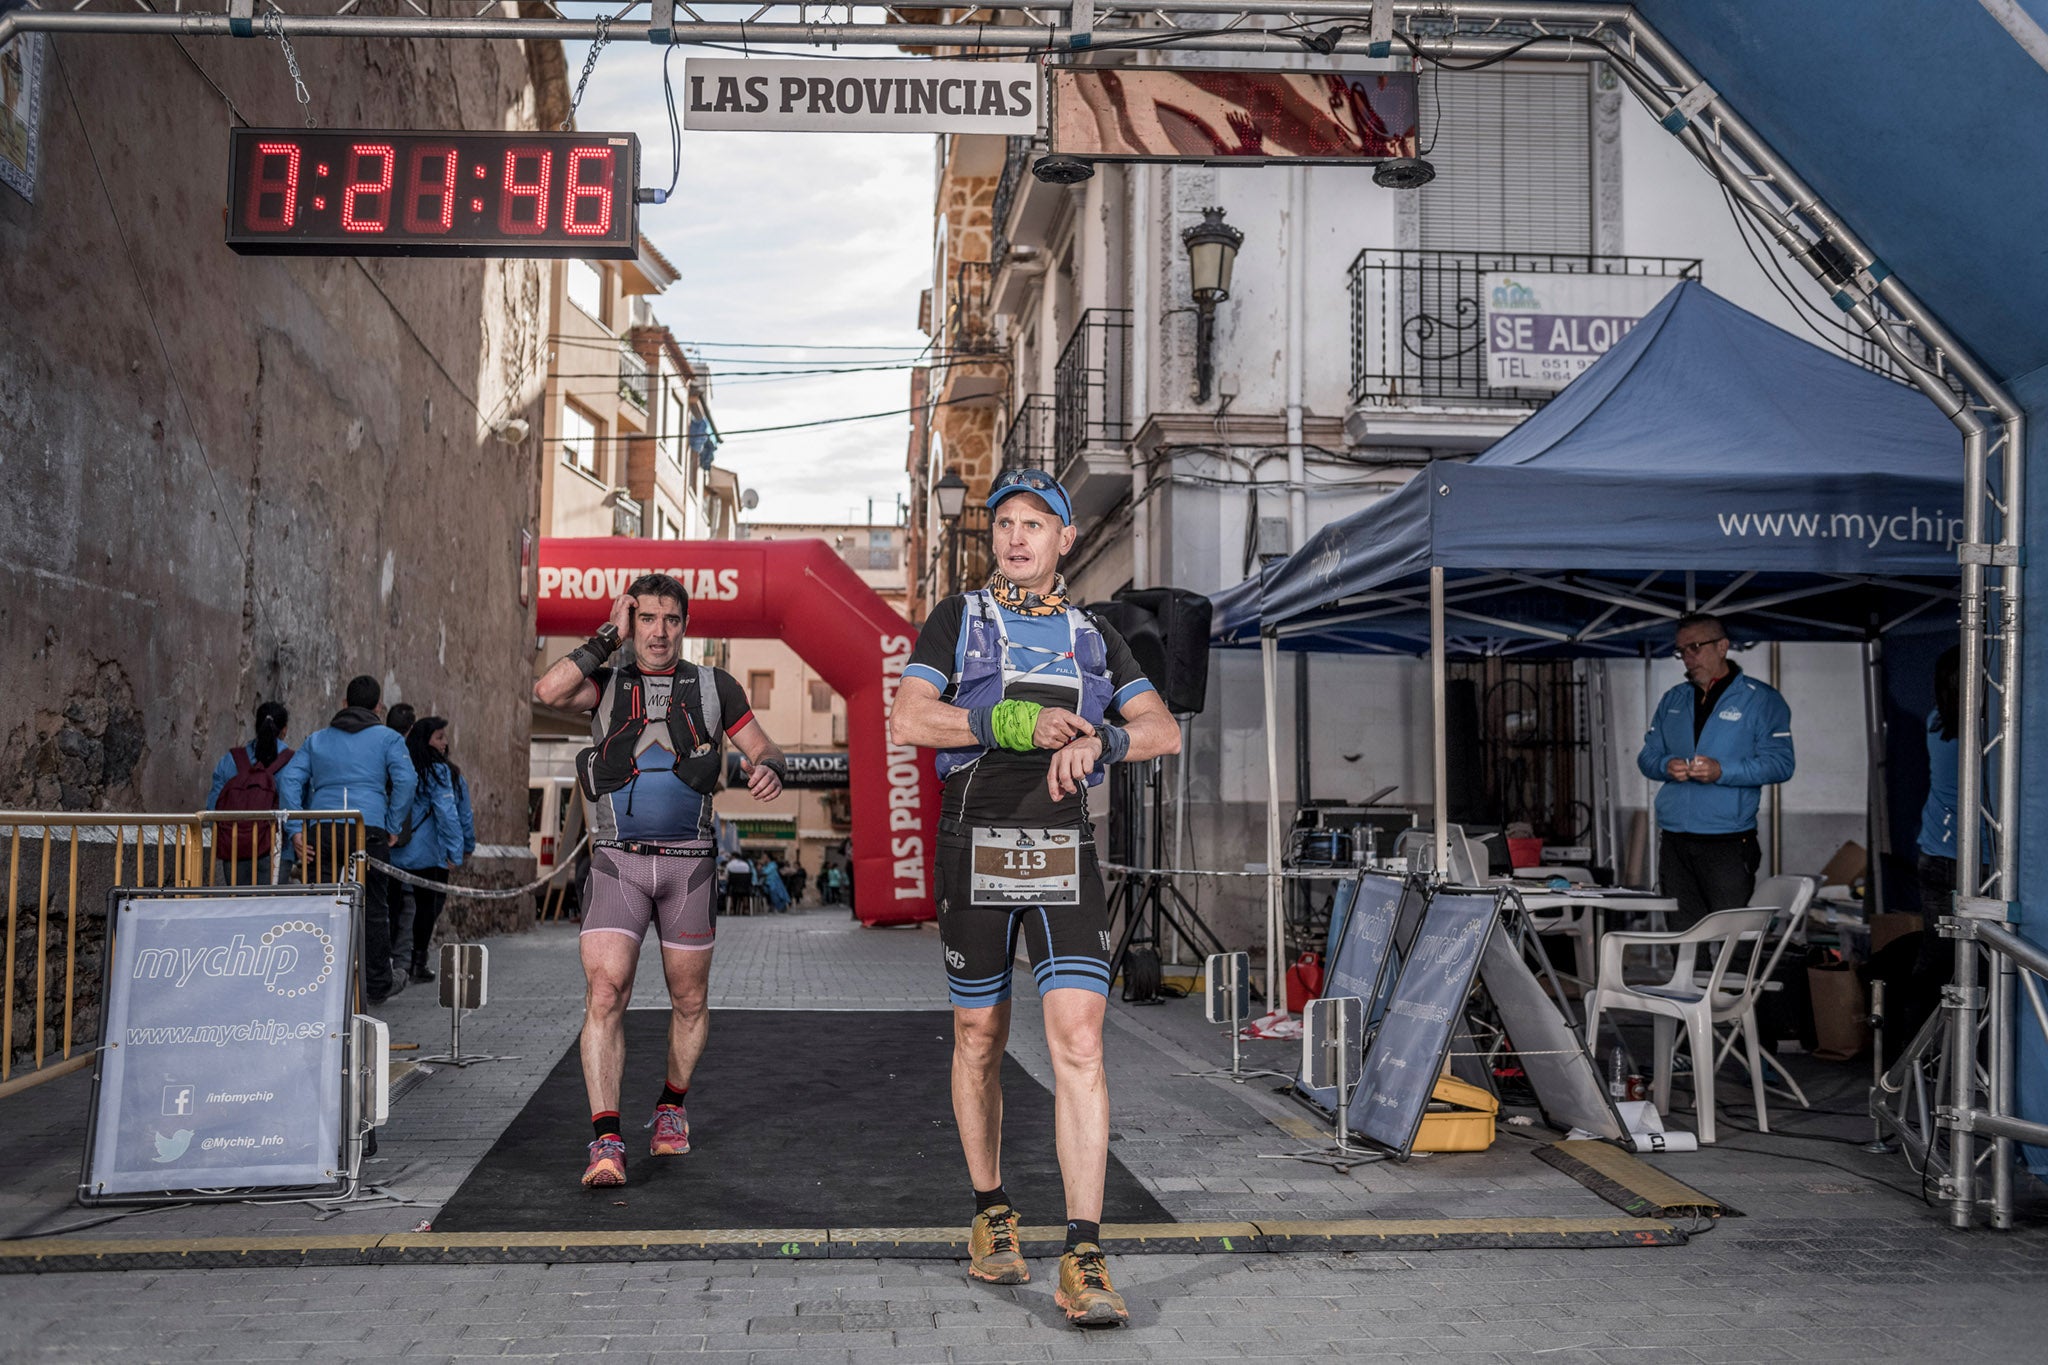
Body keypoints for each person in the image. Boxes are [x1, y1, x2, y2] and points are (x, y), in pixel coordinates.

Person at [889, 468, 1180, 1327]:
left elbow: (1161, 727)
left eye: (1034, 525)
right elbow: (909, 718)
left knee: (1079, 1040)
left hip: (1061, 850)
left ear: (1064, 540)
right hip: (973, 842)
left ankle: (1084, 1252)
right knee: (980, 1034)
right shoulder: (960, 620)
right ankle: (990, 1211)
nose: (1016, 537)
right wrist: (1008, 722)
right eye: (1004, 524)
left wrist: (1103, 740)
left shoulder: (1095, 635)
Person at [533, 574, 787, 1189]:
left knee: (690, 1000)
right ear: (631, 619)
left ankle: (671, 1105)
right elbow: (546, 689)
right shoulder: (608, 681)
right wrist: (604, 636)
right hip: (618, 860)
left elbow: (764, 746)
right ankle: (607, 1139)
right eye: (647, 618)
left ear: (685, 624)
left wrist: (770, 769)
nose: (659, 631)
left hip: (689, 866)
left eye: (671, 620)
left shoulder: (713, 686)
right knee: (605, 993)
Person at [1636, 613, 1796, 929]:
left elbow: (1781, 764)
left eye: (1695, 647)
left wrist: (1722, 771)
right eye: (1681, 650)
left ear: (1722, 646)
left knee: (1729, 938)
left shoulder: (1760, 699)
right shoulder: (1673, 699)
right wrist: (1666, 766)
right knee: (1681, 938)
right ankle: (1688, 980)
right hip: (1675, 840)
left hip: (1728, 841)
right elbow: (1647, 757)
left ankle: (1728, 980)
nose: (1687, 657)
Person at [276, 676, 417, 1003]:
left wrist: (296, 831)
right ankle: (378, 982)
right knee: (374, 906)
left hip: (322, 829)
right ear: (378, 707)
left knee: (323, 902)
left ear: (344, 703)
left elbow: (289, 782)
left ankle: (318, 979)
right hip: (368, 829)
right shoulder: (388, 739)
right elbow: (406, 781)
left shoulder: (317, 740)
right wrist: (393, 823)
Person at [390, 717, 467, 983]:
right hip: (424, 852)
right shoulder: (437, 771)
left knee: (392, 907)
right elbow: (447, 813)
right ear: (426, 740)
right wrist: (456, 852)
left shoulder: (402, 767)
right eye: (439, 737)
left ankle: (390, 960)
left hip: (395, 849)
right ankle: (417, 962)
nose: (445, 743)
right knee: (426, 907)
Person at [206, 701, 292, 886]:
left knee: (239, 908)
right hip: (277, 850)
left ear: (256, 725)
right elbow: (298, 806)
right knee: (273, 910)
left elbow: (213, 806)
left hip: (236, 848)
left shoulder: (231, 760)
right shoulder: (293, 763)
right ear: (284, 730)